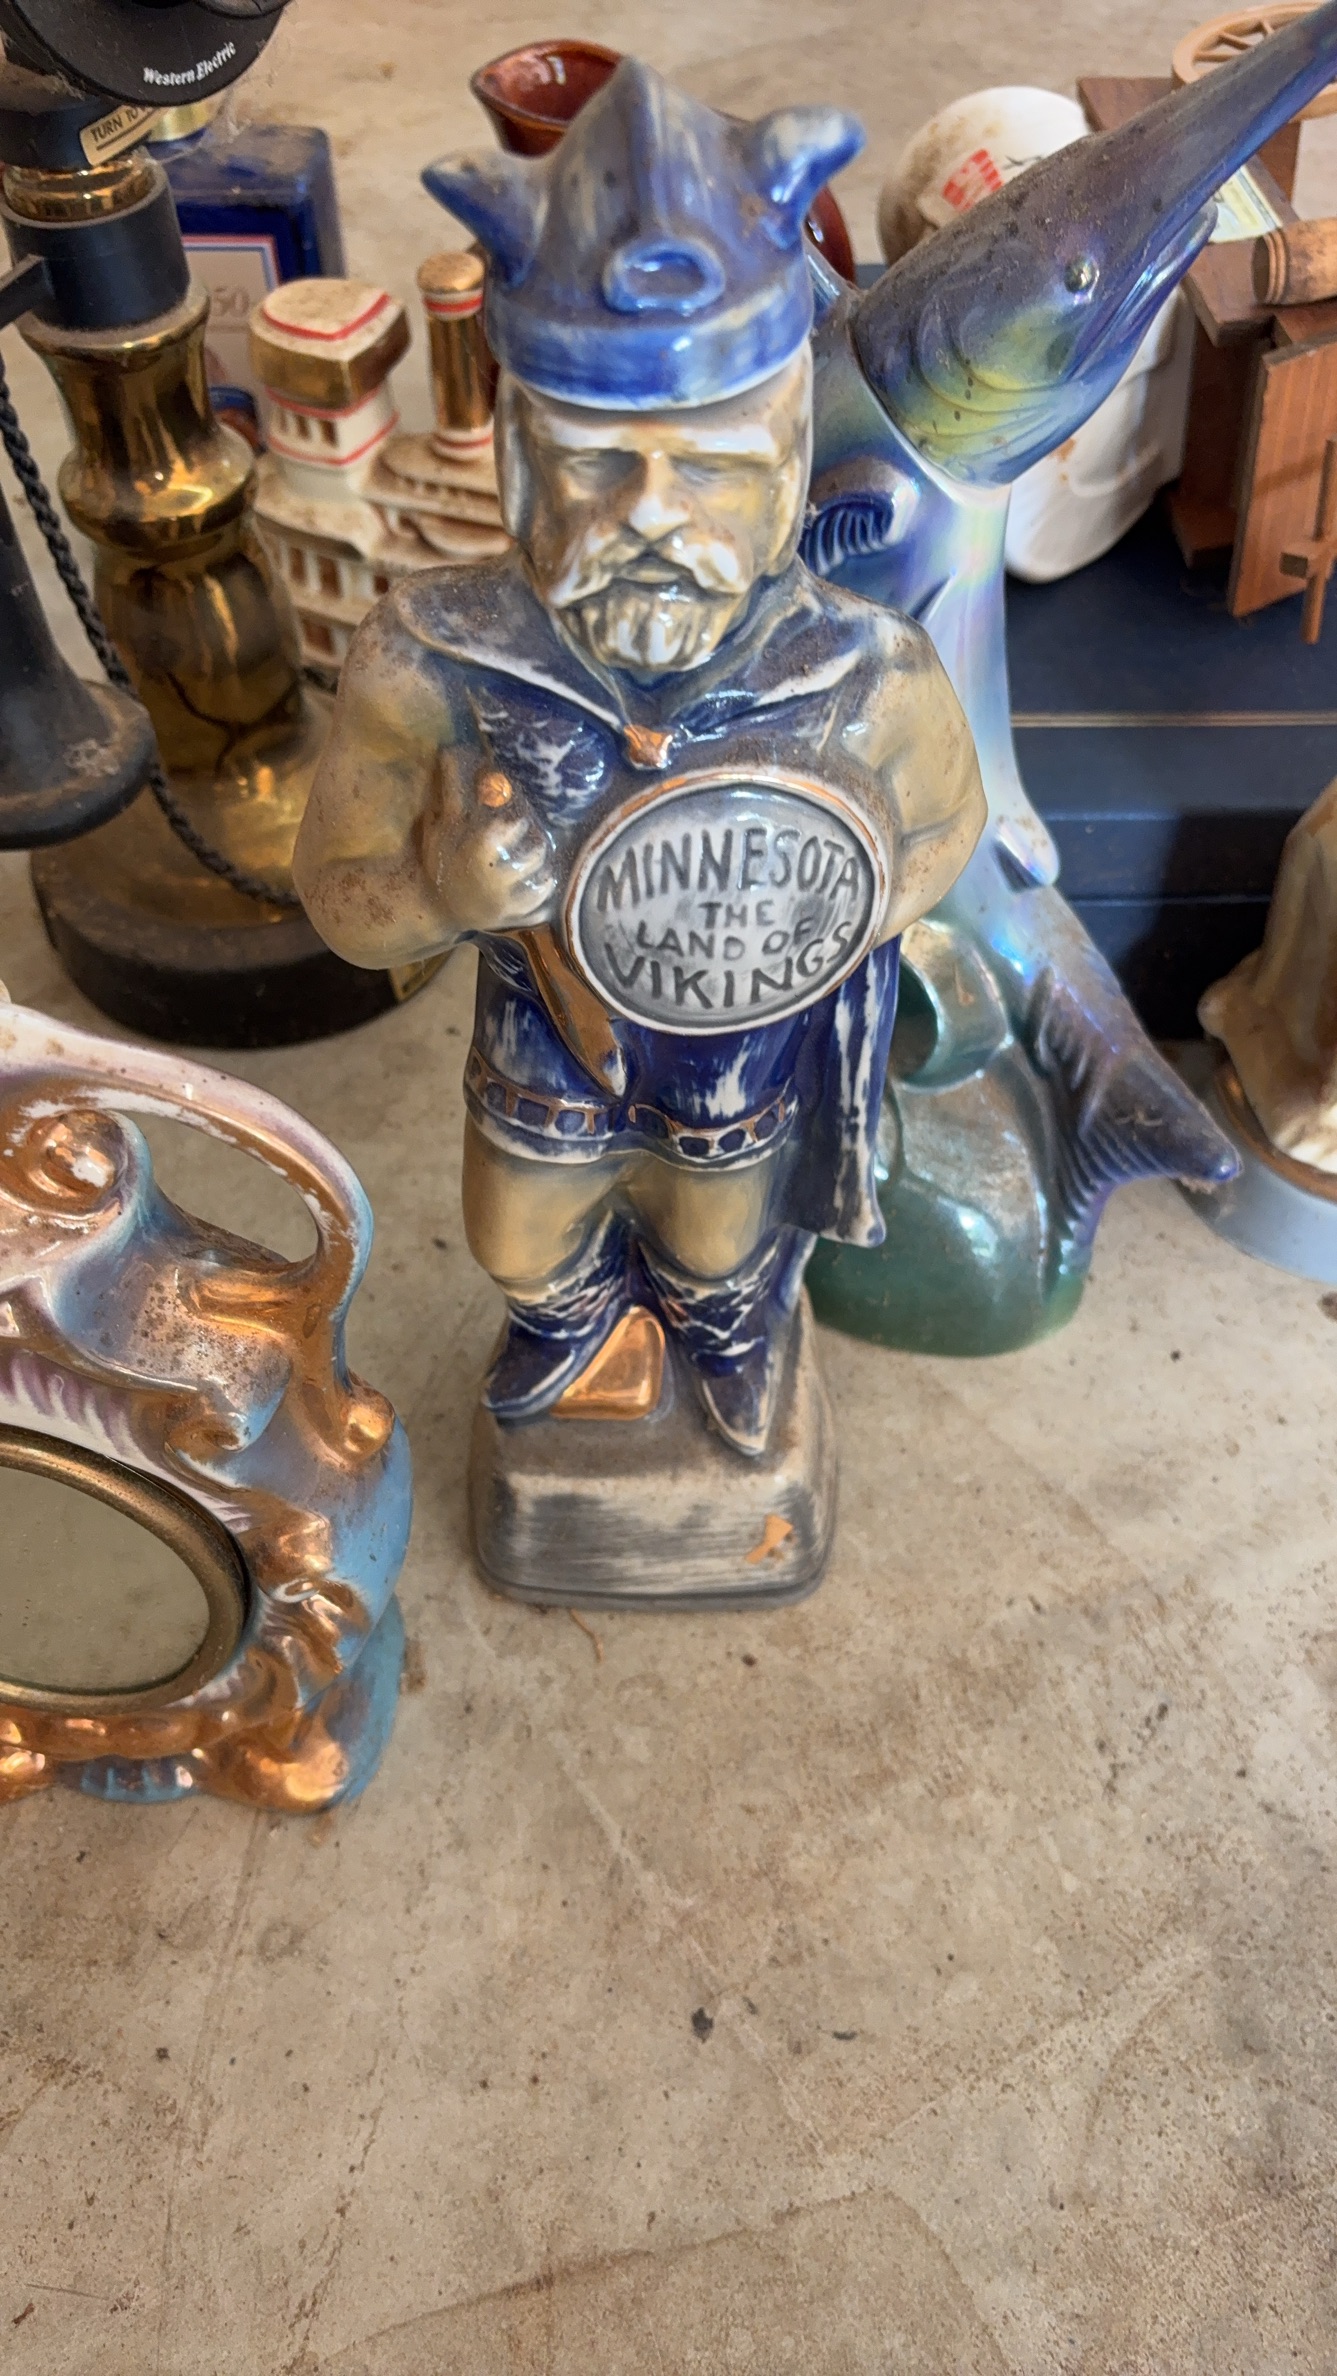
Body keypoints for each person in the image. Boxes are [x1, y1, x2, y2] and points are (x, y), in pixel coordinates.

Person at [294, 60, 985, 1457]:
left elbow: (945, 831)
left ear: (789, 456)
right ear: (515, 454)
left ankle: (723, 1336)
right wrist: (438, 891)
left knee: (717, 1234)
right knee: (513, 1231)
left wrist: (840, 889)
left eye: (713, 466)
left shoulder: (863, 672)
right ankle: (567, 1325)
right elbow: (338, 894)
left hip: (740, 1055)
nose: (654, 515)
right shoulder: (432, 661)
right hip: (544, 1040)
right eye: (597, 462)